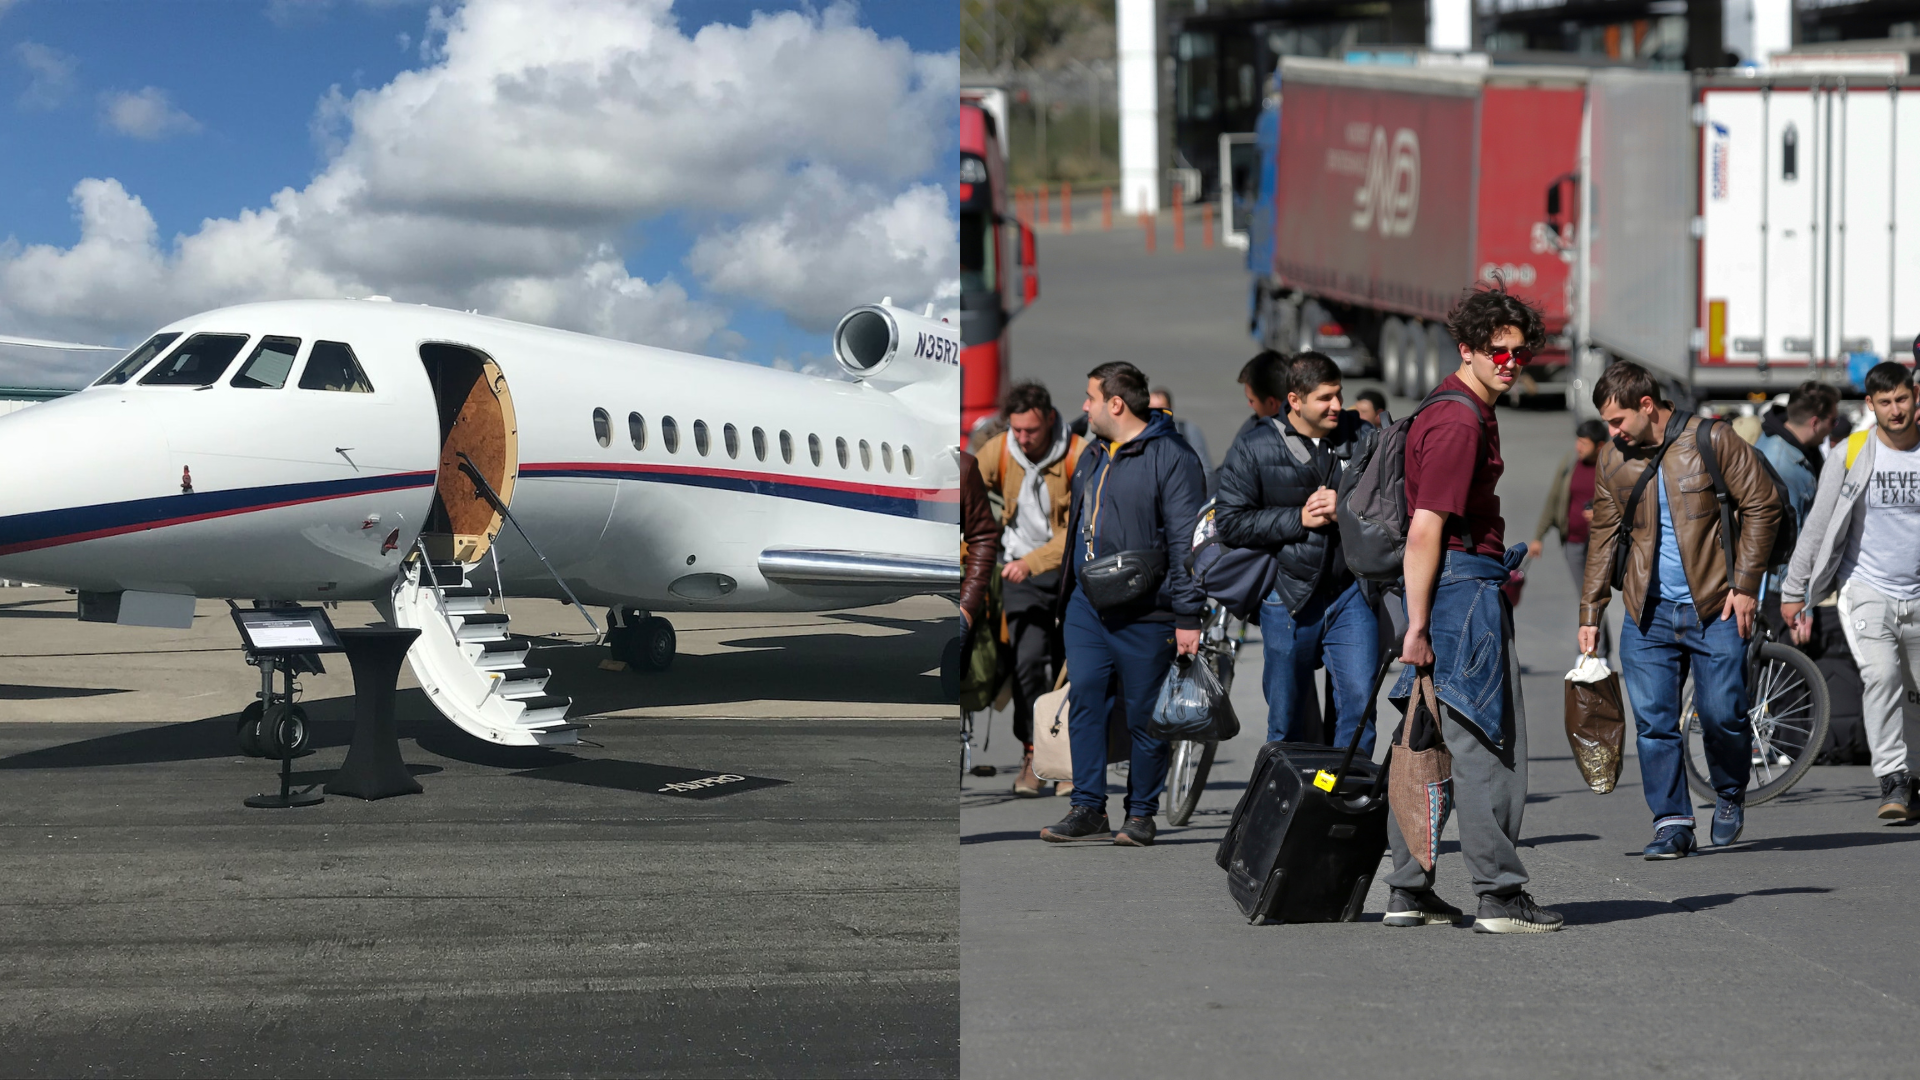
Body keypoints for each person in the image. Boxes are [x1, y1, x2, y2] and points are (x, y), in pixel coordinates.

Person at [1388, 286, 1562, 934]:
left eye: (1520, 353)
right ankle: (1499, 896)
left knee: (1422, 745)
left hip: (1446, 592)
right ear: (1467, 348)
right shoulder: (1460, 421)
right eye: (1498, 351)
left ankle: (1408, 891)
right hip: (1459, 595)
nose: (1511, 363)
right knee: (1488, 747)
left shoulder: (1452, 406)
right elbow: (1425, 528)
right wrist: (1417, 627)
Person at [1582, 361, 1782, 859]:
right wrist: (1590, 613)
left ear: (1647, 405)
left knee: (1721, 715)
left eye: (1618, 420)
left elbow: (1762, 504)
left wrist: (1745, 586)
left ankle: (1729, 792)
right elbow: (1603, 536)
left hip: (1716, 607)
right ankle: (1672, 823)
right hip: (1647, 613)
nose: (1612, 432)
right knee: (1654, 723)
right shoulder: (1612, 458)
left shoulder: (1712, 440)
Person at [1040, 361, 1206, 848]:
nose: (1084, 406)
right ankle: (1088, 806)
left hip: (1147, 608)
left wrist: (1188, 614)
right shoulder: (1093, 452)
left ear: (1116, 404)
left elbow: (1187, 543)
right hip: (1086, 605)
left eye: (1090, 398)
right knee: (1086, 697)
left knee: (1144, 714)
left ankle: (1140, 814)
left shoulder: (1173, 457)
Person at [1214, 351, 1378, 749]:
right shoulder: (1254, 446)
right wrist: (1298, 518)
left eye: (1339, 394)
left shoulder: (1364, 437)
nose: (1337, 405)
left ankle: (1341, 787)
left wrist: (1344, 509)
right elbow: (1230, 523)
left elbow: (1392, 504)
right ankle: (1287, 788)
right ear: (1295, 401)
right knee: (1286, 721)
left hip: (1351, 594)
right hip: (1287, 597)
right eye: (1325, 398)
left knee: (1359, 708)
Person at [1780, 362, 1920, 820]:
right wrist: (1794, 590)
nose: (1896, 410)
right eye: (1886, 402)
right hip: (1866, 587)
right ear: (1871, 405)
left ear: (1915, 398)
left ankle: (1914, 779)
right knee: (1882, 675)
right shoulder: (1852, 452)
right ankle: (1892, 778)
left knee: (1916, 691)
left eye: (1902, 399)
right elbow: (1818, 525)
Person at [976, 381, 1084, 797]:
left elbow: (1079, 528)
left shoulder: (1077, 454)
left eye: (1031, 431)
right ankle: (1033, 754)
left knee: (1070, 669)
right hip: (1018, 575)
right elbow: (968, 491)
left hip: (1068, 574)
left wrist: (1032, 562)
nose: (1022, 438)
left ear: (1050, 420)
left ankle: (1067, 760)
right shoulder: (1001, 449)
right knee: (1027, 665)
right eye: (1017, 429)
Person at [1529, 419, 1612, 657]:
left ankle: (1595, 652)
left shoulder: (1612, 468)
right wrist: (1538, 536)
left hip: (1601, 545)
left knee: (1593, 597)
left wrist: (1601, 513)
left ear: (1599, 446)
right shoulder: (1569, 464)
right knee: (1587, 596)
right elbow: (1554, 499)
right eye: (1577, 441)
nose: (1578, 447)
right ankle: (1596, 651)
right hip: (1573, 543)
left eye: (1584, 443)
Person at [1149, 386, 1214, 491]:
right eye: (1151, 408)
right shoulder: (1138, 435)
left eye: (1161, 408)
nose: (1156, 412)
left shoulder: (1187, 430)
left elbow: (1204, 468)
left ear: (1170, 408)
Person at [1233, 350, 1289, 443]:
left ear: (1272, 403)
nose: (1249, 404)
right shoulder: (1312, 428)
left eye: (1252, 400)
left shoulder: (1250, 439)